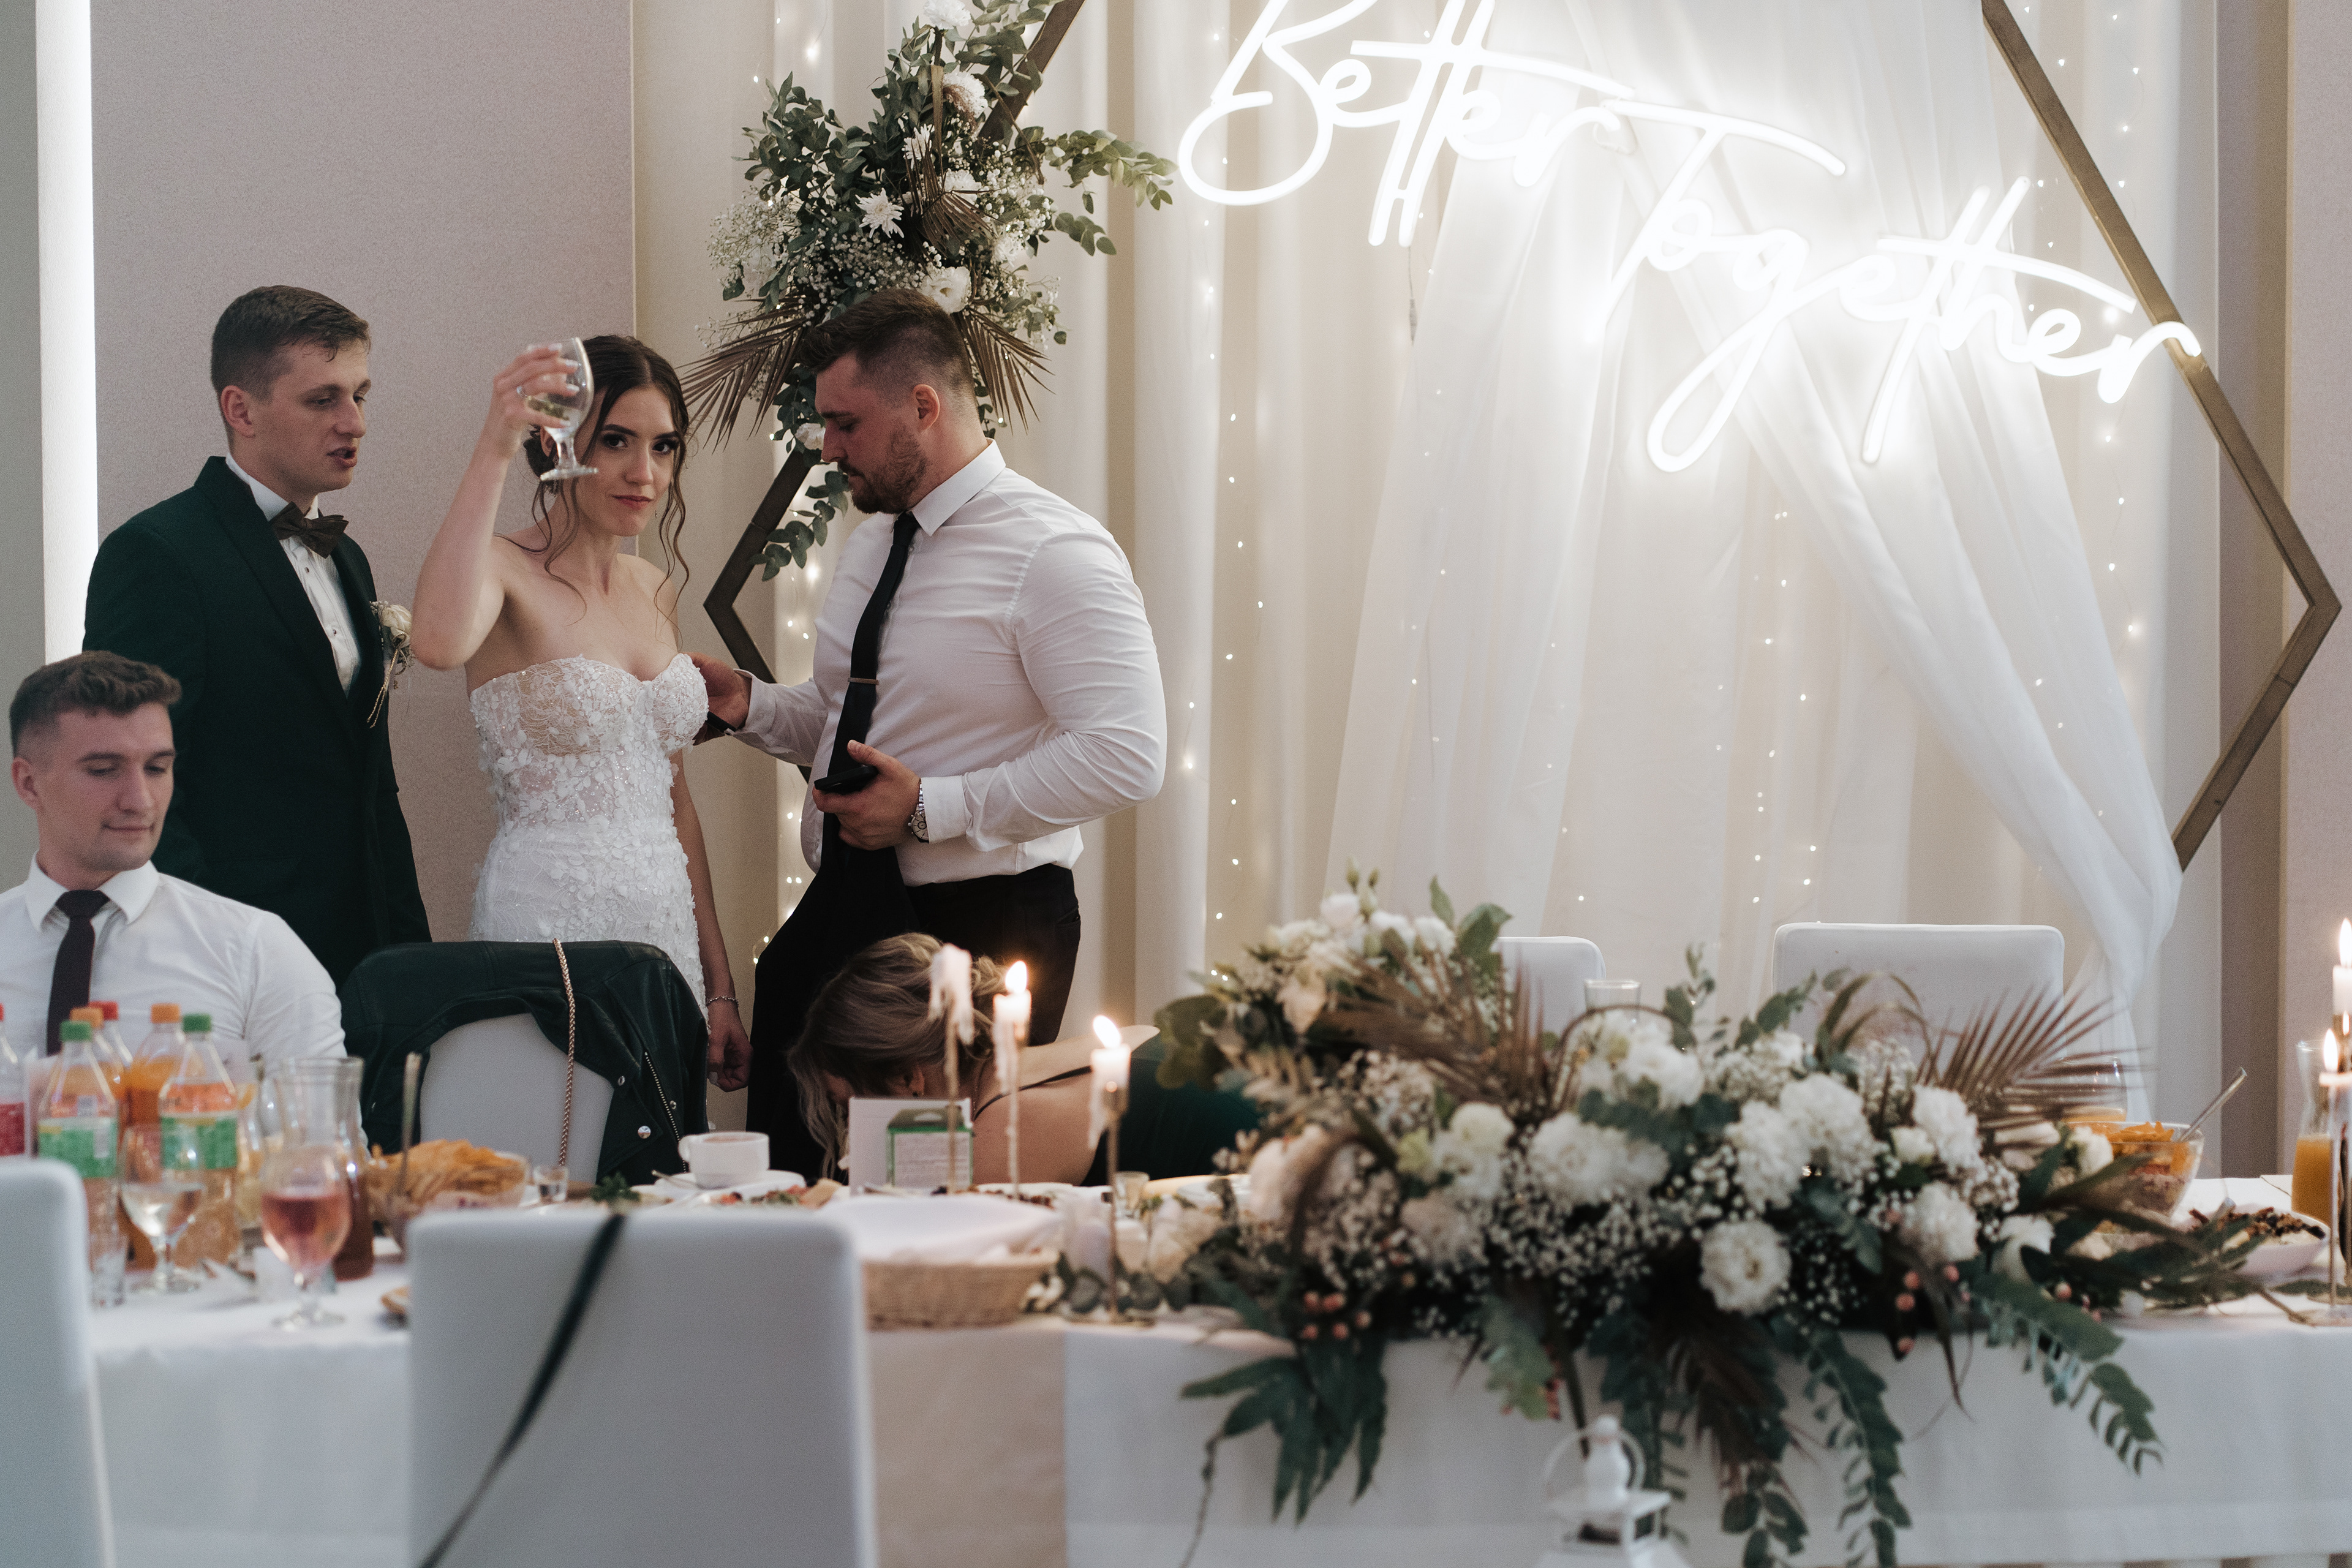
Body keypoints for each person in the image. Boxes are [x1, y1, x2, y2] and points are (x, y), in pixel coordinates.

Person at [695, 290, 1166, 1176]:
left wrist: (929, 809)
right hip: (843, 916)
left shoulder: (1055, 551)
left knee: (929, 1197)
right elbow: (848, 724)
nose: (827, 448)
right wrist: (750, 705)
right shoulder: (871, 544)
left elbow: (1127, 752)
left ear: (923, 405)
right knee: (804, 1180)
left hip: (977, 936)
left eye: (845, 423)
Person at [407, 334, 748, 1084]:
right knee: (553, 1140)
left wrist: (719, 985)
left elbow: (676, 802)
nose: (644, 472)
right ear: (557, 442)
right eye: (616, 441)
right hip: (547, 920)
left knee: (660, 1147)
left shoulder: (654, 586)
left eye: (664, 446)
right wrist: (495, 442)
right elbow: (434, 641)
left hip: (664, 931)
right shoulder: (503, 569)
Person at [83, 285, 429, 987]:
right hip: (227, 958)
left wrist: (413, 958)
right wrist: (212, 951)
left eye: (360, 395)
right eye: (323, 399)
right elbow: (128, 782)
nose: (355, 422)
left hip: (366, 959)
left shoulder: (348, 558)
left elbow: (372, 784)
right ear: (240, 409)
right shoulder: (158, 554)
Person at [2, 653, 344, 1066]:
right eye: (104, 770)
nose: (140, 800)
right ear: (28, 783)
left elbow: (321, 1109)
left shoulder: (256, 952)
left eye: (157, 768)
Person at [790, 935, 1098, 1185]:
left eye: (848, 1107)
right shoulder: (1002, 1086)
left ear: (908, 1078)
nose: (850, 1128)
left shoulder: (1003, 1131)